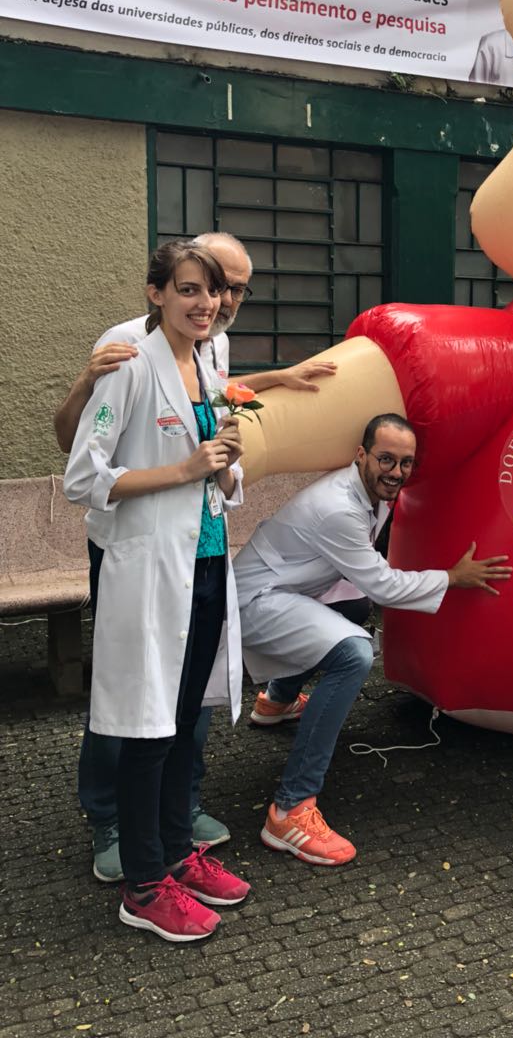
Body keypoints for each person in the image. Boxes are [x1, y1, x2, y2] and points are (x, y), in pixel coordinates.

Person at [55, 231, 336, 881]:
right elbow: (81, 454)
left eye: (233, 288)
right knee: (130, 692)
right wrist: (182, 467)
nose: (222, 299)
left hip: (200, 544)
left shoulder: (213, 344)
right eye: (206, 285)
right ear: (161, 292)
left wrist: (283, 380)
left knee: (189, 693)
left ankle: (176, 814)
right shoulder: (124, 350)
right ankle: (112, 820)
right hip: (134, 547)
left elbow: (212, 396)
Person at [63, 240, 250, 941]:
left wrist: (227, 463)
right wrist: (185, 468)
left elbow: (217, 475)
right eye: (189, 290)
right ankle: (143, 884)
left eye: (214, 292)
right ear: (156, 294)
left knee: (183, 723)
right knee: (149, 729)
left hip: (202, 564)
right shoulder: (129, 365)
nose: (206, 304)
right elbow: (83, 477)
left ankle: (177, 851)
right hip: (146, 570)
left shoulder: (207, 363)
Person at [234, 413, 513, 866]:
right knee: (354, 652)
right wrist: (452, 577)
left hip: (289, 586)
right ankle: (289, 810)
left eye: (406, 463)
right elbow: (385, 586)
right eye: (386, 459)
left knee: (353, 607)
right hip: (258, 599)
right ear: (361, 455)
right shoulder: (338, 507)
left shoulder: (372, 491)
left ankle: (277, 701)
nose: (396, 472)